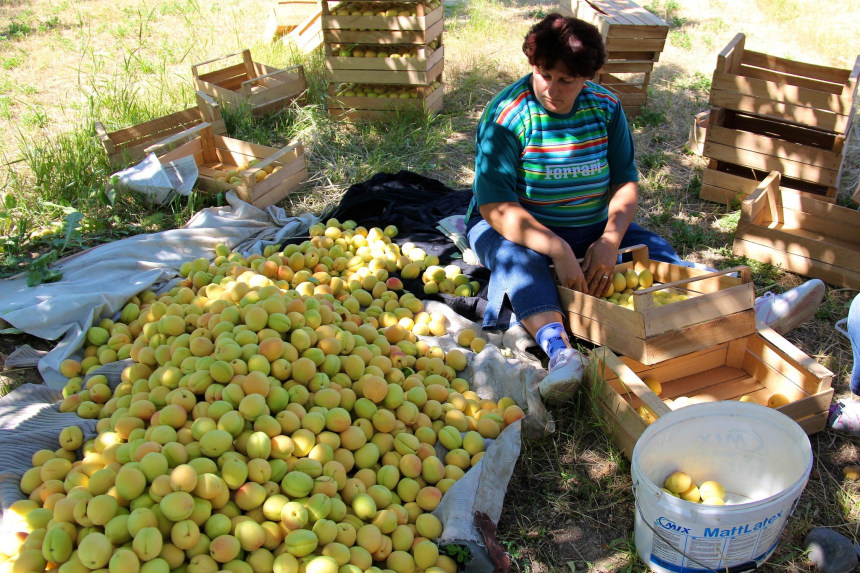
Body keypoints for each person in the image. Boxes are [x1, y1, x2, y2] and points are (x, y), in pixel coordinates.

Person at [464, 13, 689, 402]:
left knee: (650, 247)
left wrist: (609, 239)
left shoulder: (605, 108)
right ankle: (560, 351)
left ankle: (722, 299)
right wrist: (557, 248)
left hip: (589, 225)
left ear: (589, 76)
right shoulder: (507, 116)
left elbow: (624, 182)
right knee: (517, 261)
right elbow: (496, 206)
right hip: (515, 226)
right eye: (544, 74)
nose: (552, 87)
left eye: (566, 80)